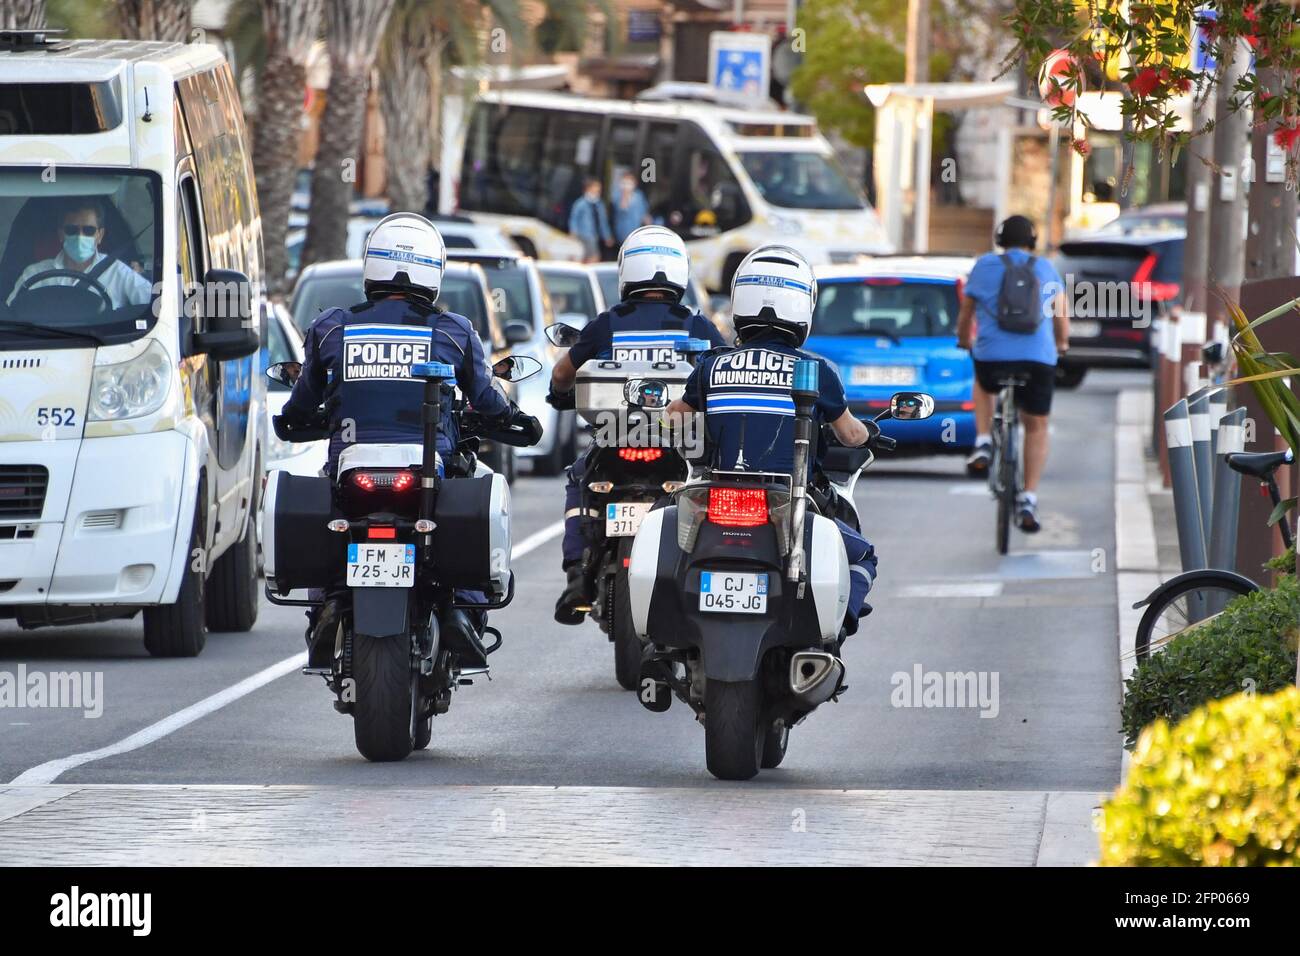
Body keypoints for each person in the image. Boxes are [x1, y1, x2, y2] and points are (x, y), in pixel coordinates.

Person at [277, 212, 541, 666]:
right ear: (432, 271)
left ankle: (323, 608)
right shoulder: (453, 331)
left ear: (371, 268)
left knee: (329, 510)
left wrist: (296, 419)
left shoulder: (332, 328)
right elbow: (487, 399)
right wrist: (518, 419)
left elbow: (302, 404)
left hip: (352, 468)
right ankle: (467, 610)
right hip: (427, 470)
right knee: (469, 494)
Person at [664, 244, 878, 641]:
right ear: (803, 307)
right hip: (789, 500)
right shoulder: (814, 372)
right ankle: (832, 632)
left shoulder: (712, 365)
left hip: (717, 498)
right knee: (863, 555)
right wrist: (872, 432)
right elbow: (851, 435)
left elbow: (674, 418)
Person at [548, 224, 727, 624]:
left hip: (613, 440)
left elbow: (563, 373)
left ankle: (577, 575)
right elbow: (726, 373)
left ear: (626, 271)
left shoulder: (607, 324)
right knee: (709, 492)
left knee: (580, 482)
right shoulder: (696, 324)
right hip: (681, 443)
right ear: (679, 272)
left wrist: (560, 395)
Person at [957, 214, 1069, 533]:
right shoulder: (1046, 268)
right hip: (1037, 360)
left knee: (983, 382)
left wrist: (965, 341)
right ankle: (1029, 499)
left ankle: (982, 442)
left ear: (1000, 241)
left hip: (992, 358)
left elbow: (966, 313)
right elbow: (1061, 315)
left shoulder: (983, 267)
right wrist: (1061, 344)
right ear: (1032, 242)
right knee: (1036, 425)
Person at [8, 200, 151, 309]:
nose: (80, 236)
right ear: (61, 234)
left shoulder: (118, 272)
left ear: (100, 235)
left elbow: (159, 307)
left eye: (88, 230)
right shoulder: (34, 273)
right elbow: (10, 313)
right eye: (71, 230)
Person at [568, 178, 613, 264]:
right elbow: (574, 219)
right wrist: (573, 232)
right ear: (587, 190)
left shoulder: (599, 205)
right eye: (594, 191)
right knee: (594, 257)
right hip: (584, 235)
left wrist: (607, 236)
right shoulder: (580, 203)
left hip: (594, 235)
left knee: (587, 257)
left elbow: (603, 222)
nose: (596, 194)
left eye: (598, 191)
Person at [612, 171, 651, 245]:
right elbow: (621, 209)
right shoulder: (617, 196)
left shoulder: (639, 195)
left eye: (629, 183)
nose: (626, 186)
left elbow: (644, 211)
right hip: (622, 231)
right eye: (624, 183)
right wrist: (624, 196)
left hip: (636, 230)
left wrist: (648, 224)